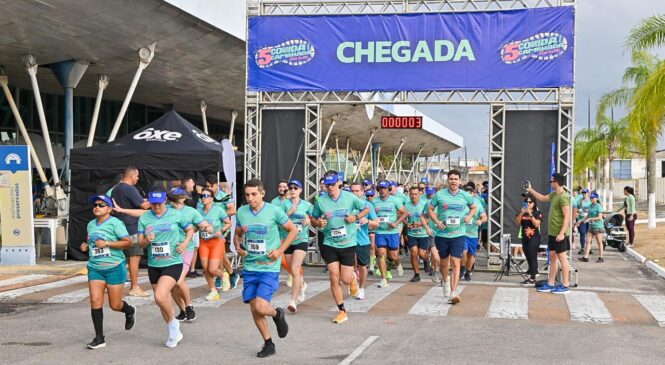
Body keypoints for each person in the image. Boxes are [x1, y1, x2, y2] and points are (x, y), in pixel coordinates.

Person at [234, 179, 297, 358]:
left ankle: (277, 314)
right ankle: (268, 343)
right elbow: (237, 235)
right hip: (250, 266)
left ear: (262, 193)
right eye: (247, 195)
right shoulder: (242, 212)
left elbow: (293, 231)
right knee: (255, 308)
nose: (250, 198)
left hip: (269, 266)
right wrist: (238, 246)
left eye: (254, 194)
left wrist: (279, 251)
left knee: (261, 307)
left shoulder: (274, 210)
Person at [311, 171, 369, 324]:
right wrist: (318, 223)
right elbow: (313, 217)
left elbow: (366, 209)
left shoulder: (350, 197)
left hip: (348, 243)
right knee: (333, 276)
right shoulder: (320, 200)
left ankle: (353, 280)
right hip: (330, 243)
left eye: (332, 185)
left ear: (339, 183)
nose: (330, 188)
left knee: (345, 278)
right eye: (327, 185)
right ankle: (342, 310)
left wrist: (355, 217)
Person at [138, 191, 194, 348]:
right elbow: (140, 243)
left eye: (159, 203)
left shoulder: (176, 214)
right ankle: (173, 332)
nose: (156, 206)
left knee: (160, 296)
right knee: (162, 301)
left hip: (173, 262)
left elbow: (190, 229)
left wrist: (184, 244)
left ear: (165, 201)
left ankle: (173, 325)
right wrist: (146, 241)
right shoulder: (144, 218)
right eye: (153, 203)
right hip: (154, 265)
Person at [80, 195, 136, 349]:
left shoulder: (116, 223)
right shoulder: (91, 224)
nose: (97, 207)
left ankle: (129, 310)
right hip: (95, 268)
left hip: (114, 268)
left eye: (102, 205)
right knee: (95, 301)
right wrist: (85, 247)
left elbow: (128, 242)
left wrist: (107, 243)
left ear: (110, 209)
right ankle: (99, 338)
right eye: (95, 205)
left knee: (115, 305)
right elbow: (92, 243)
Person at [428, 170, 477, 305]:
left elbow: (474, 207)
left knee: (456, 262)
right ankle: (446, 281)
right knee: (444, 263)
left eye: (456, 179)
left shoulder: (465, 195)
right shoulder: (440, 195)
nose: (453, 181)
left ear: (460, 181)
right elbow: (430, 209)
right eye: (451, 179)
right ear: (447, 180)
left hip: (459, 234)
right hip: (442, 234)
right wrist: (437, 222)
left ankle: (454, 291)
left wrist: (468, 217)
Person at [167, 188, 212, 321]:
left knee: (178, 281)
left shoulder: (191, 212)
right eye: (172, 197)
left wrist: (208, 227)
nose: (174, 200)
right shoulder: (166, 209)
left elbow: (203, 224)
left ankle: (189, 306)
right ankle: (182, 310)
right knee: (171, 285)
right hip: (170, 250)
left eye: (177, 197)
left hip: (186, 249)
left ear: (183, 198)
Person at [527, 173, 572, 294]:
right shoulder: (554, 194)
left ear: (556, 182)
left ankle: (566, 285)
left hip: (559, 233)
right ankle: (551, 283)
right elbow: (542, 198)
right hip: (553, 233)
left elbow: (567, 217)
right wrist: (530, 189)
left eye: (551, 181)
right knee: (553, 258)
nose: (550, 183)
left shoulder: (563, 197)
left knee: (562, 258)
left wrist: (562, 233)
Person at [274, 179, 313, 313]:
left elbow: (314, 219)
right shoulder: (283, 204)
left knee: (296, 269)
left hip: (301, 239)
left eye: (295, 188)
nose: (292, 190)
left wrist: (309, 221)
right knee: (292, 270)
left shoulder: (307, 205)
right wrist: (288, 214)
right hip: (288, 240)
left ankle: (293, 301)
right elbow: (277, 222)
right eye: (290, 188)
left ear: (300, 190)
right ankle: (302, 284)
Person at [111, 166, 151, 297]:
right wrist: (157, 199)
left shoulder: (116, 188)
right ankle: (134, 287)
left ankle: (113, 284)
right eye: (137, 176)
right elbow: (144, 206)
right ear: (131, 176)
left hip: (119, 227)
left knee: (123, 259)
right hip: (132, 227)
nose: (138, 179)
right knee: (134, 259)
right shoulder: (129, 188)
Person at [202, 175, 239, 292]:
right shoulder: (203, 197)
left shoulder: (224, 195)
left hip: (221, 227)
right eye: (207, 186)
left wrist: (218, 215)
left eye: (211, 186)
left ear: (217, 185)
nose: (209, 188)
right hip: (207, 231)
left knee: (219, 253)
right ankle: (230, 274)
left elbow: (233, 210)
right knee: (220, 254)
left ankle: (223, 276)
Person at [198, 188, 232, 301]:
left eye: (206, 196)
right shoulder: (199, 211)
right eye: (202, 196)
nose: (203, 198)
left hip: (216, 242)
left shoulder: (218, 210)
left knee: (212, 269)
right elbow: (194, 226)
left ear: (212, 198)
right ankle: (213, 291)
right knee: (205, 268)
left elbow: (229, 223)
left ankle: (223, 275)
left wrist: (220, 231)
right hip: (204, 242)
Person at [373, 180, 408, 288]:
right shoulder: (374, 202)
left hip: (392, 232)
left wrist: (396, 223)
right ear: (378, 190)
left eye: (385, 189)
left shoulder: (395, 200)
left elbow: (405, 213)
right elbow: (370, 215)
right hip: (380, 232)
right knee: (381, 254)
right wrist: (372, 223)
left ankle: (397, 263)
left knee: (393, 255)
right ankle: (383, 279)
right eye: (380, 189)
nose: (382, 191)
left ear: (389, 189)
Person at [350, 182, 379, 300]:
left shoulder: (368, 205)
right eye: (352, 191)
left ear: (362, 192)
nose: (354, 193)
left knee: (362, 266)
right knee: (349, 265)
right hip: (347, 240)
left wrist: (367, 221)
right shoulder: (346, 204)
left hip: (362, 240)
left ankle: (361, 289)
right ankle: (353, 282)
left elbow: (376, 223)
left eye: (357, 191)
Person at [460, 182, 487, 282]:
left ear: (473, 193)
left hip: (473, 233)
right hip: (461, 232)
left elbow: (485, 217)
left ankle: (468, 271)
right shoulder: (460, 202)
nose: (468, 194)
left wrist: (480, 220)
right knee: (463, 251)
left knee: (471, 254)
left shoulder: (477, 204)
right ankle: (462, 268)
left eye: (470, 192)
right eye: (466, 192)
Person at [404, 186, 432, 282]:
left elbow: (429, 218)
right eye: (412, 194)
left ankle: (426, 260)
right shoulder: (406, 204)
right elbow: (401, 216)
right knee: (414, 252)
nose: (413, 196)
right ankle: (416, 274)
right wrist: (407, 224)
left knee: (421, 253)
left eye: (416, 194)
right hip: (412, 233)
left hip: (423, 233)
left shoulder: (424, 204)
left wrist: (420, 224)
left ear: (419, 194)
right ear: (409, 194)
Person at [515, 194, 543, 285]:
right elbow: (517, 222)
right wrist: (522, 213)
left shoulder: (537, 213)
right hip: (525, 237)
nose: (528, 203)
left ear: (534, 203)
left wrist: (530, 214)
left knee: (532, 256)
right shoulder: (522, 211)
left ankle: (533, 278)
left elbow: (536, 224)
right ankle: (531, 271)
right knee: (527, 255)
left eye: (530, 202)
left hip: (534, 238)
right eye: (526, 202)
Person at [578, 191, 605, 263]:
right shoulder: (590, 206)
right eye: (591, 197)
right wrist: (580, 221)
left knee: (599, 242)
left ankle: (601, 257)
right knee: (588, 241)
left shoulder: (598, 206)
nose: (591, 199)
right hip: (591, 226)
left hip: (598, 226)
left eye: (593, 198)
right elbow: (588, 215)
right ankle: (586, 257)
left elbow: (600, 217)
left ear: (596, 198)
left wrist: (590, 219)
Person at [573, 189, 592, 255]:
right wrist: (580, 210)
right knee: (582, 233)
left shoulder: (591, 200)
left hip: (589, 220)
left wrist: (588, 210)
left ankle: (589, 248)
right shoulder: (580, 201)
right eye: (583, 193)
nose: (584, 194)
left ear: (588, 193)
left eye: (585, 193)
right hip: (581, 220)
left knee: (589, 234)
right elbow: (575, 208)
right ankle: (582, 248)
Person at [365, 188, 378, 275]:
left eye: (371, 196)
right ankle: (370, 264)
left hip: (376, 227)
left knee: (373, 246)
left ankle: (372, 265)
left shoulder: (378, 202)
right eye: (367, 196)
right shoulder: (363, 203)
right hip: (365, 227)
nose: (369, 197)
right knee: (370, 246)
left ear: (375, 195)